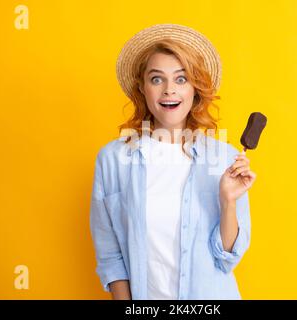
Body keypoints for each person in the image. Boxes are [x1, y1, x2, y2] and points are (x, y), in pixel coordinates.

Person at [90, 23, 256, 300]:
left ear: (196, 89)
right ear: (142, 88)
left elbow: (227, 257)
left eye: (181, 79)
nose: (169, 90)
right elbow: (110, 254)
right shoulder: (112, 160)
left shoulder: (225, 159)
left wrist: (228, 201)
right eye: (157, 79)